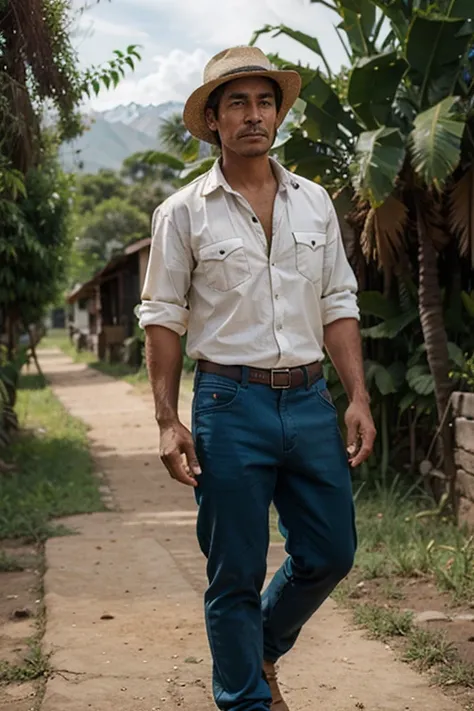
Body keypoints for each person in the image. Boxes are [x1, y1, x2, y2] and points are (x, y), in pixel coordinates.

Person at [139, 46, 376, 711]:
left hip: (308, 401)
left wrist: (355, 394)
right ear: (213, 120)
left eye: (264, 101)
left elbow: (338, 304)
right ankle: (245, 699)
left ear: (278, 113)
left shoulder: (316, 203)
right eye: (237, 103)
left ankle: (261, 644)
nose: (254, 115)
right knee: (234, 570)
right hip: (227, 401)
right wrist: (167, 420)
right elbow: (163, 317)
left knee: (331, 550)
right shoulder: (183, 212)